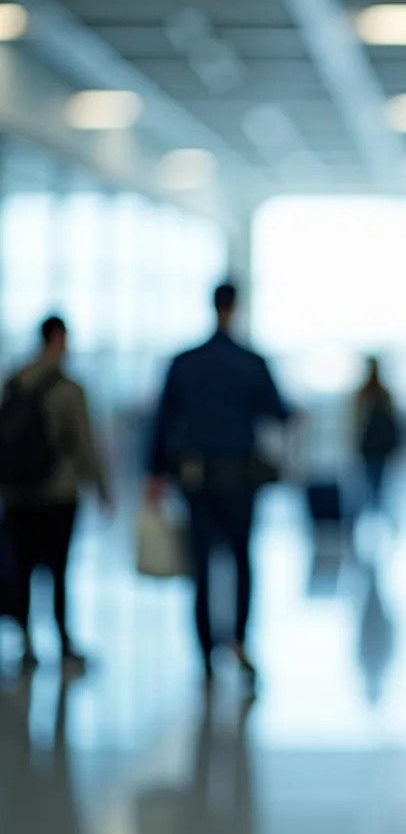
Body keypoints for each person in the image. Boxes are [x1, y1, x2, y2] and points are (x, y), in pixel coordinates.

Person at [146, 283, 292, 686]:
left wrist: (154, 474)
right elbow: (277, 412)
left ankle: (205, 652)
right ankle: (240, 641)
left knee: (203, 563)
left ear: (213, 306)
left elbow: (162, 421)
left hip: (196, 480)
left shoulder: (185, 362)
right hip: (241, 480)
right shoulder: (250, 362)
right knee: (243, 560)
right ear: (237, 307)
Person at [1, 316, 110, 670]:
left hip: (17, 493)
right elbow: (83, 444)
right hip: (58, 493)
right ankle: (63, 640)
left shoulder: (15, 382)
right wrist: (102, 488)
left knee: (22, 567)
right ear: (60, 339)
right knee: (59, 569)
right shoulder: (68, 388)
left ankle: (26, 642)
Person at [353, 356, 401, 509]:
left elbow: (358, 422)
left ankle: (374, 505)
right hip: (379, 444)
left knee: (371, 478)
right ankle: (377, 505)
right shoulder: (382, 393)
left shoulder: (364, 393)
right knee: (378, 478)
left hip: (370, 444)